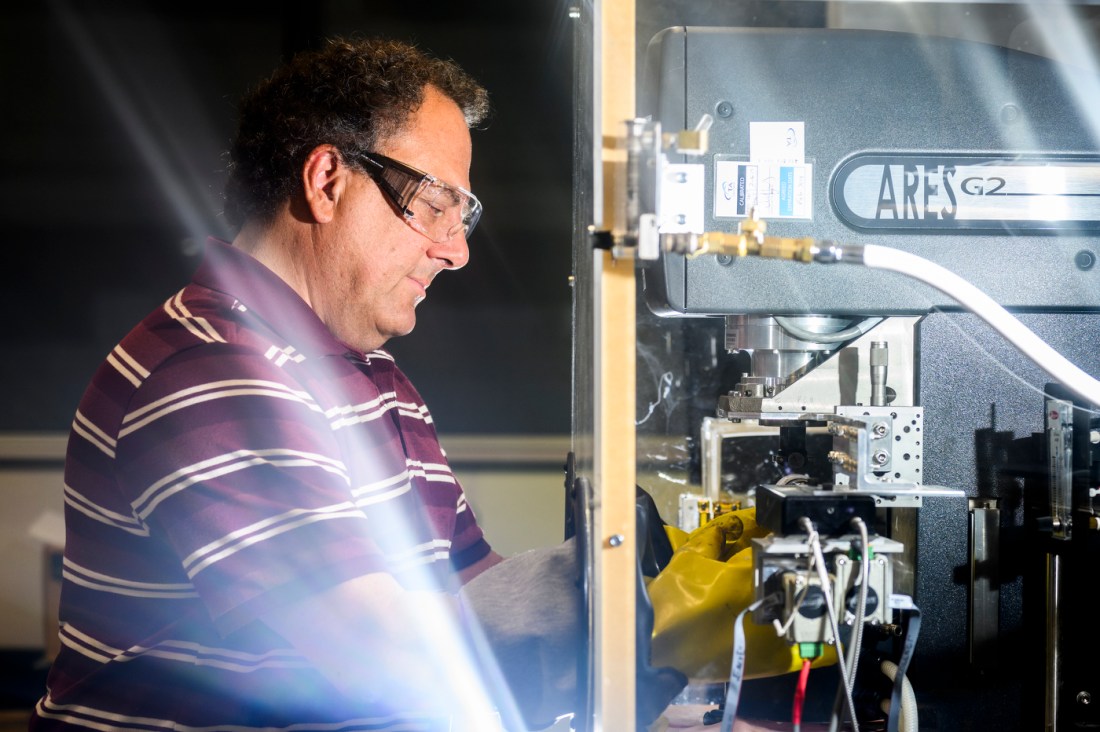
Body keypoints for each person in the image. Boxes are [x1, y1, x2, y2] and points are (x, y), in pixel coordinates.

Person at [30, 36, 583, 732]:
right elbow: (373, 652)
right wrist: (621, 609)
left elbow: (471, 590)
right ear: (327, 182)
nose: (456, 249)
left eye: (461, 214)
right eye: (436, 202)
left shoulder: (369, 374)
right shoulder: (209, 371)